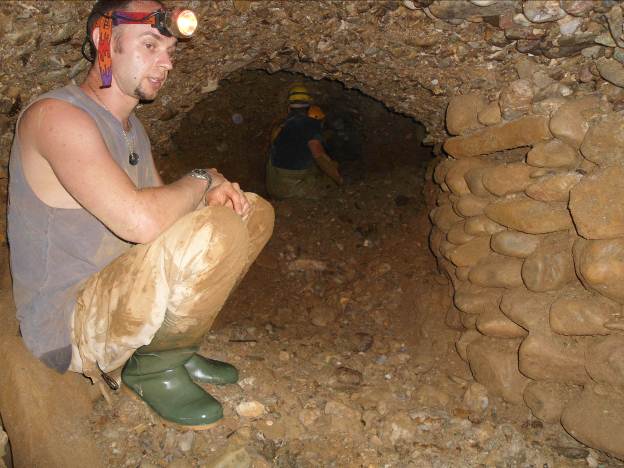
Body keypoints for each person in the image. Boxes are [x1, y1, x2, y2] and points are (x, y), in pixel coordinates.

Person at [7, 0, 274, 429]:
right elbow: (142, 222)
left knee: (250, 213)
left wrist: (213, 194)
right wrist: (204, 177)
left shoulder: (133, 129)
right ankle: (151, 370)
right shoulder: (55, 117)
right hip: (68, 325)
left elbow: (164, 214)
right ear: (104, 39)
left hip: (123, 293)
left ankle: (172, 349)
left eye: (170, 51)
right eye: (150, 45)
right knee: (215, 231)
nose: (166, 63)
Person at [266, 84, 342, 200]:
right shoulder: (311, 125)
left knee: (312, 166)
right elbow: (319, 156)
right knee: (328, 181)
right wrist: (338, 179)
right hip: (292, 191)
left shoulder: (279, 126)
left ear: (289, 108)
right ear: (309, 107)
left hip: (272, 186)